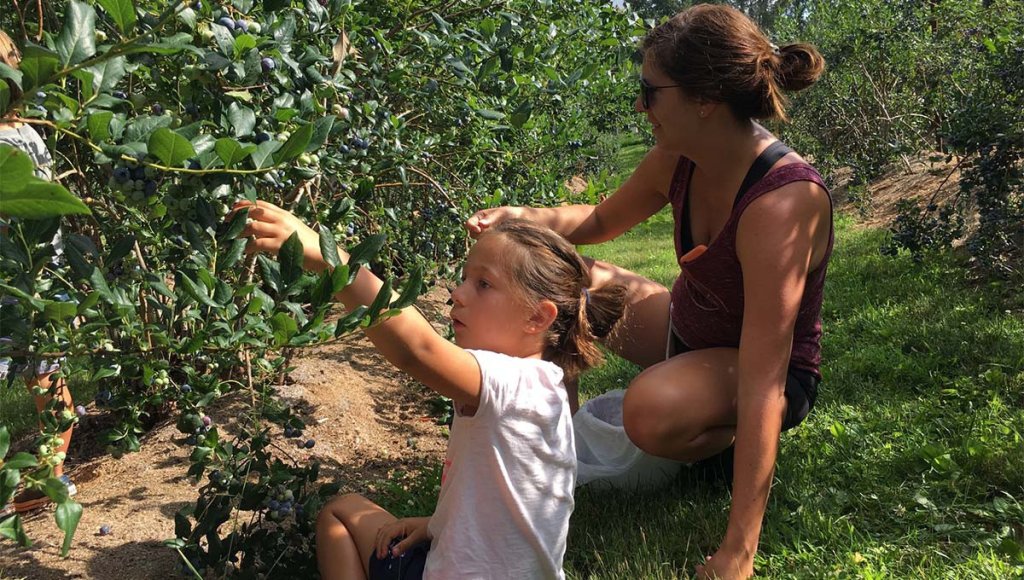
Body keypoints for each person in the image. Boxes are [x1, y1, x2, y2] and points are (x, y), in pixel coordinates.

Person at [465, 4, 831, 578]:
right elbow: (598, 223)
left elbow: (764, 375)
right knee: (569, 280)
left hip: (772, 374)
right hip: (686, 330)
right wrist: (521, 215)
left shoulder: (781, 204)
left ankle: (716, 448)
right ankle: (548, 457)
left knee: (650, 410)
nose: (640, 106)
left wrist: (740, 550)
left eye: (650, 90)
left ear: (704, 99)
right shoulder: (677, 158)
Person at [234, 200, 626, 579]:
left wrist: (328, 257)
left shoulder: (512, 382)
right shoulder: (546, 385)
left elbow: (417, 349)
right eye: (465, 278)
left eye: (483, 284)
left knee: (338, 515)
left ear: (537, 317)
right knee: (349, 512)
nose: (458, 293)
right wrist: (438, 523)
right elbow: (515, 502)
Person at [0, 30, 77, 517]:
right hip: (38, 280)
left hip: (14, 279)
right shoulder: (29, 132)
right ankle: (48, 481)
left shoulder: (16, 137)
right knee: (49, 382)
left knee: (47, 381)